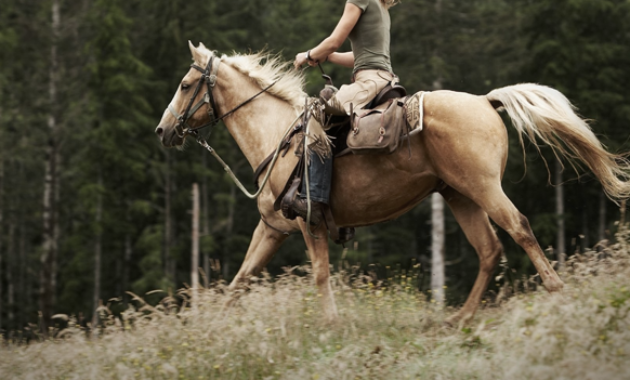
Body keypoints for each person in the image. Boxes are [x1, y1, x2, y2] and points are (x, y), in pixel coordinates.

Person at [289, 0, 400, 225]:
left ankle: (315, 199)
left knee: (316, 115)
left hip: (368, 82)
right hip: (383, 79)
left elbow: (334, 41)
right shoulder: (381, 6)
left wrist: (308, 54)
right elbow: (360, 57)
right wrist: (327, 56)